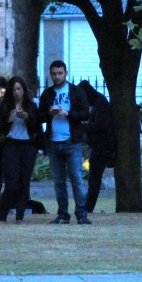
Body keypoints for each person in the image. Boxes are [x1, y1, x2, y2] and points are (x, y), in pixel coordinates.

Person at [39, 60, 91, 224]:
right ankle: (63, 214)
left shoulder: (76, 91)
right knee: (59, 181)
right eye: (54, 73)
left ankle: (81, 213)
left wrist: (68, 113)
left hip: (72, 141)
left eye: (60, 73)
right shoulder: (47, 94)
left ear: (66, 73)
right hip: (53, 142)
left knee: (77, 178)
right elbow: (39, 116)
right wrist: (49, 112)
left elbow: (85, 114)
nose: (57, 76)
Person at [0, 76, 41, 223]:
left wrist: (28, 118)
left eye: (19, 89)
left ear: (23, 89)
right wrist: (8, 120)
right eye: (13, 89)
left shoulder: (31, 105)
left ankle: (19, 216)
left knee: (24, 182)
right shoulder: (6, 105)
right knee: (11, 183)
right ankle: (3, 215)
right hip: (11, 144)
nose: (16, 92)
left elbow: (37, 127)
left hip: (28, 145)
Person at [78, 80, 115, 214]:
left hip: (103, 145)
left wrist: (82, 126)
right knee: (93, 176)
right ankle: (88, 205)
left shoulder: (100, 103)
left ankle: (88, 207)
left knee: (94, 177)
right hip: (99, 145)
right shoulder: (98, 102)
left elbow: (100, 125)